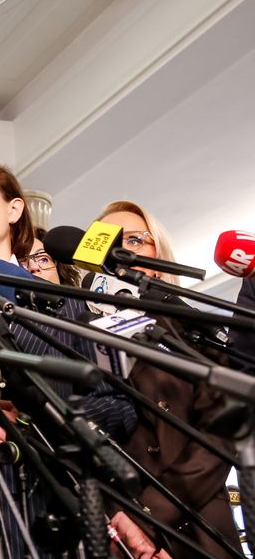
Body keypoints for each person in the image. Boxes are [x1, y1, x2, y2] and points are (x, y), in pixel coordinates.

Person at [0, 156, 135, 558]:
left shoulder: (66, 305)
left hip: (52, 512)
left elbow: (119, 407)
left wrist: (38, 422)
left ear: (14, 209)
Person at [96, 200, 240, 558]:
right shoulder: (77, 329)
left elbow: (220, 435)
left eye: (134, 240)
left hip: (199, 526)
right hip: (119, 533)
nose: (120, 252)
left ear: (157, 254)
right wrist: (126, 524)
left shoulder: (193, 327)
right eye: (107, 242)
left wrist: (149, 515)